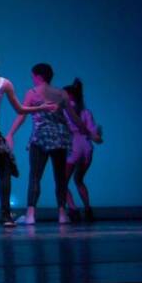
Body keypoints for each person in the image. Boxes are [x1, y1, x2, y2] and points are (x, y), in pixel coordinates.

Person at [0, 53, 56, 227]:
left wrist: (40, 107)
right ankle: (1, 215)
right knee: (0, 172)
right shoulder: (1, 82)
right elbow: (20, 110)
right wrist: (40, 107)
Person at [6, 63, 99, 225]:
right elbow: (74, 118)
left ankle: (30, 214)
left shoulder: (33, 93)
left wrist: (11, 133)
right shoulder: (61, 94)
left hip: (40, 138)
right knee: (60, 178)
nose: (33, 79)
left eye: (33, 76)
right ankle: (62, 214)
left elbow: (22, 114)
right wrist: (88, 132)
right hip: (60, 138)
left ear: (39, 76)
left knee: (35, 176)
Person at [63, 78, 102, 222]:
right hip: (86, 147)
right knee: (79, 180)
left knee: (62, 183)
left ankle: (73, 209)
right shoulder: (86, 112)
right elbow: (94, 134)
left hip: (73, 146)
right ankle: (88, 209)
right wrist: (97, 136)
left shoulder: (65, 110)